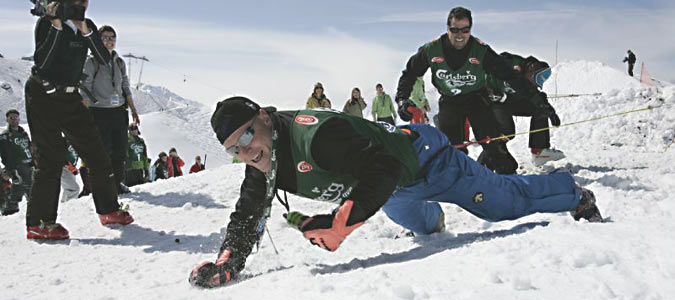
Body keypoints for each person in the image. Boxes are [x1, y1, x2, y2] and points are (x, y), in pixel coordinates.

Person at [188, 96, 602, 288]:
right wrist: (229, 260)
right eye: (234, 150)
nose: (246, 151)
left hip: (425, 161)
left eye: (247, 135)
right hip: (396, 189)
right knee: (418, 222)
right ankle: (434, 218)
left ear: (264, 117)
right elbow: (247, 214)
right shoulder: (265, 161)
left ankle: (570, 191)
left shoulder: (316, 137)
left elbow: (382, 168)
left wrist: (340, 223)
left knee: (501, 205)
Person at [395, 7, 560, 175]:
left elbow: (512, 76)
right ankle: (462, 188)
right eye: (455, 30)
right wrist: (402, 99)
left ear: (470, 30)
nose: (460, 35)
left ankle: (510, 181)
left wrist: (539, 101)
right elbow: (409, 74)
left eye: (465, 30)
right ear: (447, 28)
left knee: (494, 146)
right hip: (449, 102)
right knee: (452, 151)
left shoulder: (480, 51)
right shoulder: (432, 50)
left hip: (477, 100)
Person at [24, 0, 133, 240]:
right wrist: (56, 26)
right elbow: (43, 63)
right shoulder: (47, 23)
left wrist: (85, 29)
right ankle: (39, 223)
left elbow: (104, 59)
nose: (82, 3)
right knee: (50, 157)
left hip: (71, 97)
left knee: (96, 152)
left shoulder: (87, 25)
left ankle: (109, 210)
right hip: (43, 93)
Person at [80, 24, 139, 195]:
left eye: (112, 38)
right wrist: (85, 112)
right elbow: (85, 88)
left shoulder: (119, 62)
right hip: (99, 112)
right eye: (105, 38)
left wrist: (133, 109)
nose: (109, 41)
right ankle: (101, 186)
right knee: (103, 151)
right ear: (98, 41)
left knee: (120, 150)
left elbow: (125, 86)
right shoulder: (92, 62)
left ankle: (117, 183)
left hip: (119, 111)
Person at [480, 52, 565, 168]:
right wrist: (488, 91)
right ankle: (485, 162)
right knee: (507, 131)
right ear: (531, 68)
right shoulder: (510, 62)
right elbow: (482, 70)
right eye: (533, 79)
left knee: (540, 108)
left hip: (508, 100)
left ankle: (538, 152)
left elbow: (537, 96)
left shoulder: (527, 82)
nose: (532, 84)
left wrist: (550, 111)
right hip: (492, 101)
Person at [0, 109, 34, 216]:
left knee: (19, 188)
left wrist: (34, 161)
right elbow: (5, 155)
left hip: (29, 164)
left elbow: (29, 148)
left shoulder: (23, 133)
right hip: (18, 165)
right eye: (11, 118)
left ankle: (10, 207)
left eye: (16, 117)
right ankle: (34, 210)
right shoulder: (5, 136)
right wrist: (11, 170)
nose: (14, 120)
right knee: (30, 187)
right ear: (7, 119)